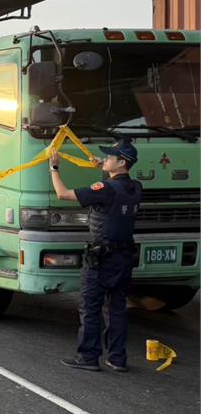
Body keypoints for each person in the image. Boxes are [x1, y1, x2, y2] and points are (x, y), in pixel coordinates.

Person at [48, 139, 142, 372]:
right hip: (125, 257)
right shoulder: (136, 187)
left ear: (121, 163)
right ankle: (117, 359)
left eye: (109, 157)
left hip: (102, 258)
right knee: (117, 308)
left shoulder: (106, 190)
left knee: (91, 307)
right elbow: (113, 190)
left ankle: (88, 357)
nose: (105, 159)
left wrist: (54, 169)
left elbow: (62, 194)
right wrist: (103, 165)